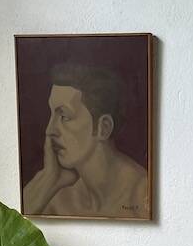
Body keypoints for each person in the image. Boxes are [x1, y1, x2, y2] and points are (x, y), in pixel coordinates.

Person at [22, 63, 149, 219]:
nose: (50, 130)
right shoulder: (58, 200)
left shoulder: (143, 195)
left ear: (103, 127)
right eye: (52, 115)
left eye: (64, 116)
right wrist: (48, 178)